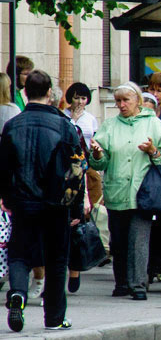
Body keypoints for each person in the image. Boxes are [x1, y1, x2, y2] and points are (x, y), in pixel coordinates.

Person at [0, 70, 86, 331]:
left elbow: (4, 166)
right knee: (57, 258)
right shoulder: (63, 125)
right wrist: (76, 206)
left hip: (23, 201)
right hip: (56, 203)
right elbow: (77, 168)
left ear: (25, 93)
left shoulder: (13, 125)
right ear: (50, 93)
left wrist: (5, 196)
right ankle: (55, 317)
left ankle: (18, 293)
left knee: (19, 253)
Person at [89, 82, 161, 300]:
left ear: (138, 101)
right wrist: (97, 154)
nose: (121, 105)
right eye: (118, 101)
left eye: (126, 100)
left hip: (142, 192)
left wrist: (153, 151)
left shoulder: (153, 123)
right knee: (119, 240)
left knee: (139, 239)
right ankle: (122, 282)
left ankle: (138, 285)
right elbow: (100, 163)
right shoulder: (109, 125)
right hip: (116, 190)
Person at [63, 83, 98, 294]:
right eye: (76, 98)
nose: (80, 102)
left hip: (85, 170)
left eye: (84, 98)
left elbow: (94, 139)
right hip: (67, 171)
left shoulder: (90, 118)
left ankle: (75, 271)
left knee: (79, 223)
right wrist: (73, 120)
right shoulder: (63, 116)